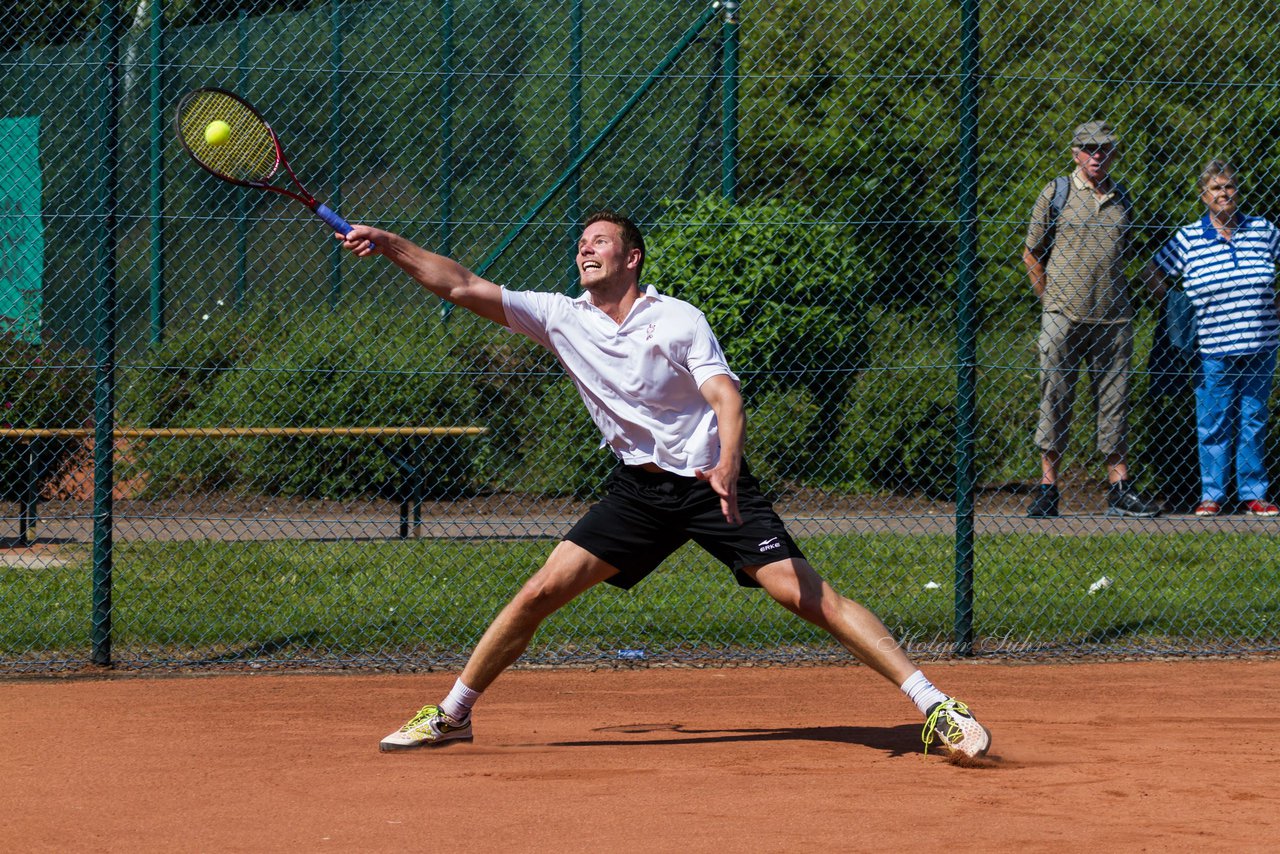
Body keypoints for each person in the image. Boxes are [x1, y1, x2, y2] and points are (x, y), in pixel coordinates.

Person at [336, 210, 992, 760]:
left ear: (632, 258)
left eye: (599, 241)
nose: (584, 248)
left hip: (712, 486)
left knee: (805, 595)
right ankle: (454, 714)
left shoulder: (677, 320)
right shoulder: (560, 316)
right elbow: (460, 285)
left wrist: (729, 461)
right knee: (539, 591)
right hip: (638, 495)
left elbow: (725, 397)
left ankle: (934, 707)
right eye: (581, 242)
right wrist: (391, 245)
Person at [1022, 120, 1161, 518]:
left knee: (1114, 405)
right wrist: (1048, 301)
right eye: (1088, 148)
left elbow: (1136, 254)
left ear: (1113, 153)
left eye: (1103, 148)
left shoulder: (1123, 197)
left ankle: (1119, 488)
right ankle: (1048, 490)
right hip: (1063, 315)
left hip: (1113, 319)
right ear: (1075, 152)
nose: (1096, 155)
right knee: (1055, 399)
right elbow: (1032, 253)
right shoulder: (1056, 193)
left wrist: (1166, 296)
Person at [1142, 159, 1280, 518]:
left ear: (1238, 191)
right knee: (1214, 421)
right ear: (1204, 196)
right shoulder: (1189, 237)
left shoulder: (1262, 230)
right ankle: (1212, 495)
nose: (1224, 193)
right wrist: (1176, 310)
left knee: (1253, 419)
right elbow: (1152, 271)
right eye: (1216, 188)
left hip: (1261, 342)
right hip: (1211, 346)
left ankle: (1253, 493)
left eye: (1229, 186)